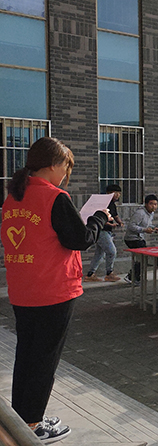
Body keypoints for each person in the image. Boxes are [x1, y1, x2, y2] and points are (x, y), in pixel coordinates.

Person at [1, 137, 110, 443]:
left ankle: (22, 417)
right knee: (44, 360)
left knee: (26, 354)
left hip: (23, 290)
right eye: (66, 167)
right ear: (53, 165)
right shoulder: (54, 197)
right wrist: (99, 218)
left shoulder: (14, 197)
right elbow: (80, 239)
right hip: (52, 291)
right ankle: (33, 425)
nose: (66, 174)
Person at [84, 184, 123, 282]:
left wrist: (120, 222)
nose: (118, 195)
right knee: (112, 251)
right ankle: (109, 273)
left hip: (107, 232)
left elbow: (115, 215)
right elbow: (99, 218)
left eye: (119, 193)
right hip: (102, 231)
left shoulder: (112, 204)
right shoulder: (103, 204)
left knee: (99, 254)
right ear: (109, 193)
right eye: (115, 193)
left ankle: (90, 274)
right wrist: (110, 224)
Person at [124, 194, 158, 285]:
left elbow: (147, 224)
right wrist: (144, 230)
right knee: (143, 257)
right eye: (151, 204)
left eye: (155, 204)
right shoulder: (140, 213)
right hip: (132, 238)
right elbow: (131, 226)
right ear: (146, 204)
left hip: (140, 238)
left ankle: (134, 276)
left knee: (142, 258)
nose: (153, 206)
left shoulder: (151, 213)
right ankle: (132, 277)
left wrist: (153, 228)